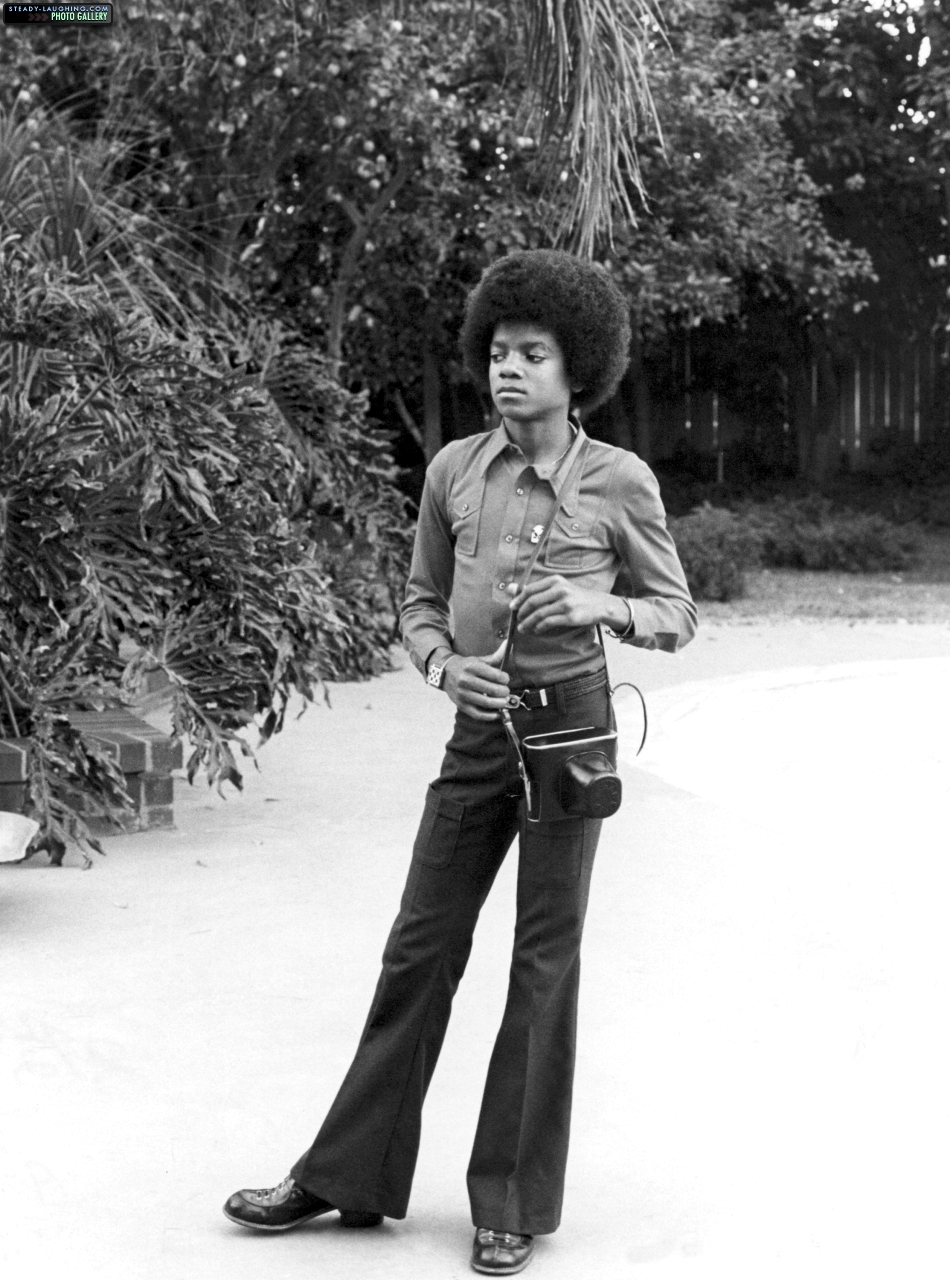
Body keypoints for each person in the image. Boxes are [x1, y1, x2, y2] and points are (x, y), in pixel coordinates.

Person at [223, 249, 697, 1274]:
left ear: (578, 369)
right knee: (419, 945)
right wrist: (444, 668)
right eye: (498, 351)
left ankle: (509, 1201)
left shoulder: (619, 481)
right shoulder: (452, 471)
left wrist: (600, 604)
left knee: (542, 961)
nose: (508, 369)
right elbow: (418, 604)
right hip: (478, 733)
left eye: (533, 353)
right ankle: (346, 1175)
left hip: (568, 734)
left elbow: (675, 613)